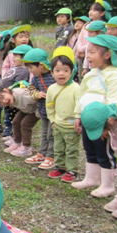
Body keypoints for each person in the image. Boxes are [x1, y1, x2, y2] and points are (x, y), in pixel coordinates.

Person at [72, 34, 117, 196]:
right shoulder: (91, 74)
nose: (87, 56)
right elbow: (82, 96)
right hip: (88, 119)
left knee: (104, 151)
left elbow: (115, 101)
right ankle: (92, 178)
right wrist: (78, 115)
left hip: (103, 122)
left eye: (92, 52)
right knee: (89, 147)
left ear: (107, 54)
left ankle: (108, 185)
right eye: (87, 52)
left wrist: (107, 125)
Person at [46, 48, 80, 183]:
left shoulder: (76, 88)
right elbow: (49, 106)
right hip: (57, 124)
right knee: (58, 148)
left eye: (66, 70)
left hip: (71, 125)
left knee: (72, 149)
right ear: (52, 72)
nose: (61, 73)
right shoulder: (51, 89)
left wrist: (78, 119)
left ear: (71, 72)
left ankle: (72, 170)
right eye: (58, 70)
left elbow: (79, 105)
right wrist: (52, 120)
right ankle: (60, 167)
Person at [0, 82, 39, 158]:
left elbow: (38, 99)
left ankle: (26, 147)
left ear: (6, 90)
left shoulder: (21, 94)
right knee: (16, 122)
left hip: (37, 110)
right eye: (0, 103)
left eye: (2, 97)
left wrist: (40, 114)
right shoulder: (11, 97)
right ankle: (17, 142)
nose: (4, 101)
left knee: (25, 124)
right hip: (26, 109)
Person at [23, 48, 55, 170]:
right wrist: (36, 94)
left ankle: (51, 156)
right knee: (44, 133)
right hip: (43, 111)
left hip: (55, 113)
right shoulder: (36, 78)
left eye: (31, 68)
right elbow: (30, 89)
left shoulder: (54, 75)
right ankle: (42, 153)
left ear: (41, 65)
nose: (30, 71)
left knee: (52, 135)